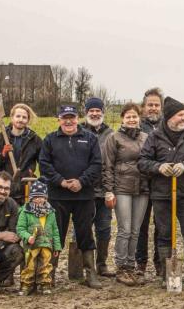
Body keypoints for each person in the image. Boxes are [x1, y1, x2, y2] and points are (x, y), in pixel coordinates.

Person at [138, 97, 184, 289]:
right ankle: (166, 275)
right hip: (161, 194)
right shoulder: (155, 136)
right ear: (169, 117)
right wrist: (159, 167)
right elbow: (142, 162)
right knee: (165, 234)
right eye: (180, 115)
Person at [39, 104, 103, 288]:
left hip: (84, 197)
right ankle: (48, 274)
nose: (68, 121)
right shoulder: (50, 140)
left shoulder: (89, 138)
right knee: (54, 235)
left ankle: (90, 274)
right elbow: (44, 165)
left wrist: (81, 182)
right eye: (64, 117)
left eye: (72, 117)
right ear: (58, 119)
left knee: (85, 234)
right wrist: (61, 181)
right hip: (58, 196)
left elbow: (96, 164)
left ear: (77, 118)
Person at [101, 102, 149, 286]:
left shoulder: (146, 137)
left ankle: (131, 265)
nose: (131, 119)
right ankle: (121, 266)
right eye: (128, 116)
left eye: (134, 116)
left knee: (136, 230)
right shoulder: (114, 138)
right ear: (123, 118)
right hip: (122, 188)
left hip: (142, 188)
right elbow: (107, 166)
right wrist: (109, 190)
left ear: (139, 118)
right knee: (125, 229)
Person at [80, 97, 114, 279]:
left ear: (102, 112)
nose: (94, 113)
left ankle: (102, 264)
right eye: (91, 110)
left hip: (104, 190)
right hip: (84, 190)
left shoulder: (110, 134)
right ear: (86, 113)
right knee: (83, 228)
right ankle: (85, 266)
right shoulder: (78, 131)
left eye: (97, 110)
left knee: (104, 228)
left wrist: (110, 188)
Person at [0, 102, 42, 205]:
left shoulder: (35, 140)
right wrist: (2, 155)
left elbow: (43, 162)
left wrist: (33, 175)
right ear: (12, 117)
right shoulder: (0, 138)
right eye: (18, 116)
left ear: (28, 120)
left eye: (24, 117)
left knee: (23, 219)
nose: (20, 119)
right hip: (4, 187)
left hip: (26, 187)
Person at [135, 87, 164, 277]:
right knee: (141, 226)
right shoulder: (137, 127)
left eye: (156, 105)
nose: (153, 108)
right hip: (142, 184)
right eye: (149, 105)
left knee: (161, 225)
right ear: (143, 107)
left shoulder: (167, 126)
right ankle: (140, 262)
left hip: (162, 184)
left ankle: (160, 261)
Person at [15, 181, 61, 296]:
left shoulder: (50, 212)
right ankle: (26, 285)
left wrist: (57, 246)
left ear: (46, 198)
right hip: (32, 245)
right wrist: (27, 237)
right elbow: (20, 228)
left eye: (41, 196)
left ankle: (45, 284)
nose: (39, 199)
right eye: (36, 197)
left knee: (46, 265)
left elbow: (55, 231)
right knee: (29, 265)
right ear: (31, 198)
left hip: (47, 244)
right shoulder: (25, 211)